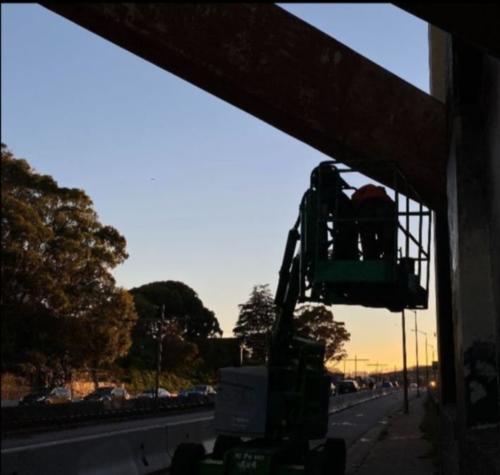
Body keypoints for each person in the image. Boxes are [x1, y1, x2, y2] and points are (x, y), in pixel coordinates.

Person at [311, 162, 358, 260]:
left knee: (344, 249)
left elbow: (323, 217)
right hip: (347, 230)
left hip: (345, 231)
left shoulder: (327, 197)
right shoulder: (340, 197)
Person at [352, 184, 397, 260]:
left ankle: (370, 258)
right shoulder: (385, 197)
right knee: (386, 236)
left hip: (366, 209)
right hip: (384, 210)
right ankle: (388, 256)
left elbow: (354, 202)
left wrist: (357, 218)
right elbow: (393, 208)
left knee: (367, 236)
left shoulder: (363, 191)